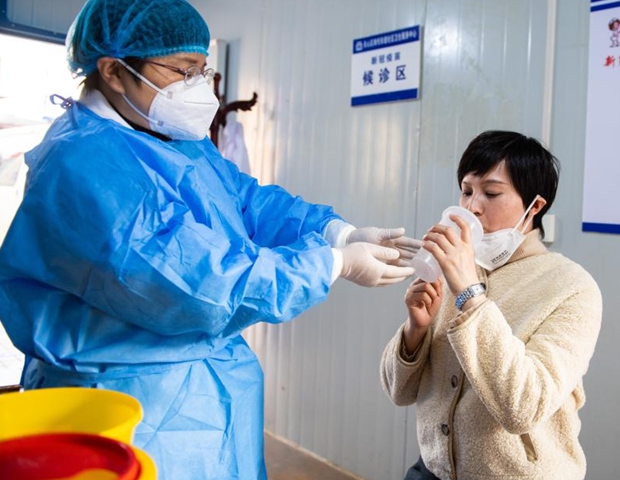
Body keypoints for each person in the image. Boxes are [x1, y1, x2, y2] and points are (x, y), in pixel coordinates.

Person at [0, 0, 420, 479]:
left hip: (204, 391)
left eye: (203, 70)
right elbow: (199, 284)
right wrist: (331, 264)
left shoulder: (166, 134)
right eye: (183, 70)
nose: (198, 87)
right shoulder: (84, 166)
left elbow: (242, 200)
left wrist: (333, 230)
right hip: (130, 403)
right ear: (113, 70)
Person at [380, 131, 603, 480]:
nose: (472, 207)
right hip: (433, 469)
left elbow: (523, 407)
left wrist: (470, 293)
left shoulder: (572, 287)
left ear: (536, 206)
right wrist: (415, 330)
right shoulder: (457, 270)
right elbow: (399, 391)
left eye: (492, 192)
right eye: (466, 191)